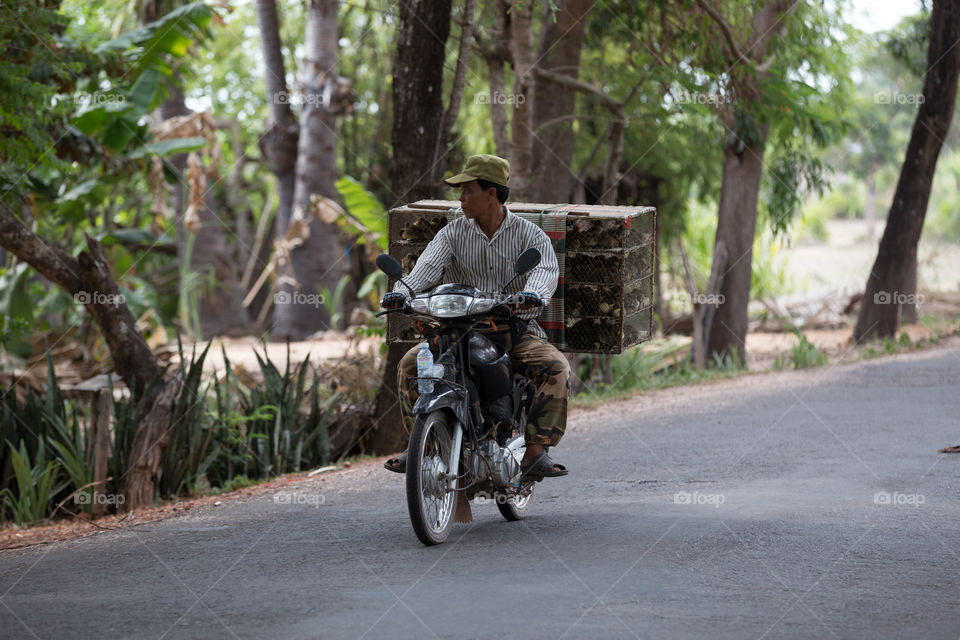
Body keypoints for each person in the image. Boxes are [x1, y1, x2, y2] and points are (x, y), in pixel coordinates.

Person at [380, 154, 570, 481]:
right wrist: (401, 292)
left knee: (556, 368)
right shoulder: (453, 234)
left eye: (467, 191)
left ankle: (536, 452)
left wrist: (529, 296)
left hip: (512, 329)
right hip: (458, 329)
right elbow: (421, 272)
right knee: (410, 365)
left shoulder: (530, 235)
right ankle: (420, 446)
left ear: (492, 193)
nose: (460, 198)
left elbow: (545, 272)